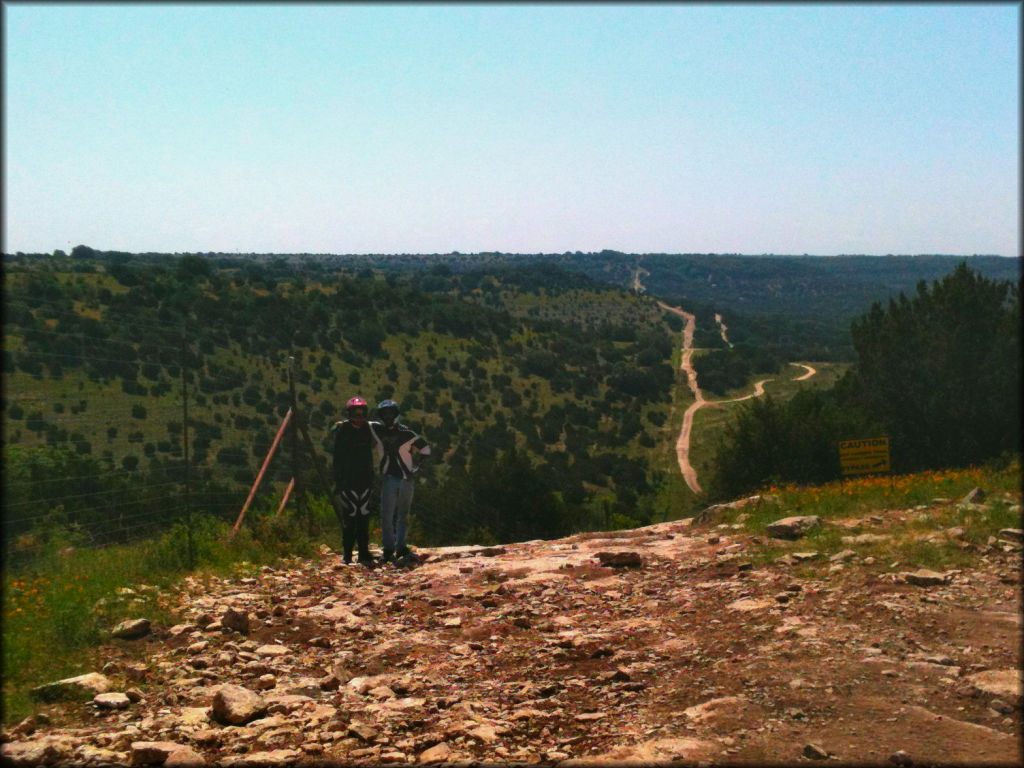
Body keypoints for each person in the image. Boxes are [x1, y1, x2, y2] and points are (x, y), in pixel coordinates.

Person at [370, 399, 431, 564]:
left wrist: (418, 466)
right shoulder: (379, 429)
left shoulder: (406, 433)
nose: (388, 416)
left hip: (402, 479)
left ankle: (397, 547)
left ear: (396, 414)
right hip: (399, 478)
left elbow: (426, 449)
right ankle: (392, 549)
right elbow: (426, 450)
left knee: (397, 515)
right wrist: (418, 467)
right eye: (385, 414)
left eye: (390, 413)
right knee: (390, 515)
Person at [330, 396, 377, 566]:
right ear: (349, 414)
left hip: (364, 480)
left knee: (363, 517)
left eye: (361, 413)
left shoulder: (368, 429)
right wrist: (338, 480)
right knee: (349, 518)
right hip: (348, 481)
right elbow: (337, 456)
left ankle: (364, 553)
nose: (358, 417)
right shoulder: (342, 430)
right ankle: (347, 554)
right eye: (355, 414)